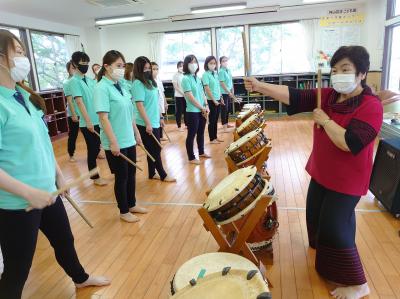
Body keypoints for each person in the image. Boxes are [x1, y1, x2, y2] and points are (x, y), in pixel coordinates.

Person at [244, 46, 383, 299]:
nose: (338, 74)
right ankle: (328, 257)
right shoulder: (329, 95)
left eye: (345, 69)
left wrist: (325, 121)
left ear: (362, 73)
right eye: (335, 70)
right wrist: (260, 85)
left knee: (333, 226)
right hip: (322, 172)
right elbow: (294, 95)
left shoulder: (370, 106)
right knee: (316, 219)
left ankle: (358, 284)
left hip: (348, 179)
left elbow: (350, 143)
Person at [0, 29, 110, 299]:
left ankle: (81, 278)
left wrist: (58, 176)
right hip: (18, 203)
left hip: (47, 190)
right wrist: (28, 193)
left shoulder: (24, 96)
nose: (25, 57)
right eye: (19, 52)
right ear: (1, 58)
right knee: (18, 268)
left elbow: (42, 143)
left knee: (64, 241)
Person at [94, 50, 148, 223]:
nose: (121, 69)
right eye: (118, 66)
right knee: (122, 177)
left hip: (129, 138)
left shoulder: (122, 86)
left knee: (131, 173)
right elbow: (103, 118)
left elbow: (130, 112)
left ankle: (132, 204)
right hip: (115, 141)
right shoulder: (101, 88)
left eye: (123, 66)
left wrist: (137, 133)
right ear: (106, 67)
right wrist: (113, 142)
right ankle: (124, 211)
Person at [131, 56, 176, 182]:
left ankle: (151, 173)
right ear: (139, 69)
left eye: (149, 68)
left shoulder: (152, 82)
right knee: (155, 149)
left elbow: (155, 102)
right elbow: (139, 106)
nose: (148, 70)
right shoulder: (137, 84)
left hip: (155, 120)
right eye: (145, 68)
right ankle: (163, 174)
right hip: (145, 123)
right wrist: (148, 124)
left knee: (153, 149)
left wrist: (160, 117)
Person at [69, 51, 108, 186]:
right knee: (93, 149)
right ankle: (95, 177)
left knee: (98, 148)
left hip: (97, 119)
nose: (85, 66)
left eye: (87, 63)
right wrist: (88, 121)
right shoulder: (73, 82)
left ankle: (102, 174)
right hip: (87, 123)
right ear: (74, 64)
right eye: (82, 63)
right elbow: (79, 102)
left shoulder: (90, 80)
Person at [181, 54, 210, 165]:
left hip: (202, 109)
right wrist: (202, 107)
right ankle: (191, 157)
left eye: (195, 62)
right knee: (191, 134)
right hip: (192, 111)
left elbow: (202, 93)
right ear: (186, 65)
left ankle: (201, 152)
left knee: (201, 133)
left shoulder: (198, 78)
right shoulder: (185, 79)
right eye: (191, 62)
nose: (194, 64)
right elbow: (190, 96)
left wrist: (206, 105)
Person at [202, 56, 223, 144]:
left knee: (216, 120)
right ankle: (211, 139)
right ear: (207, 64)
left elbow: (218, 87)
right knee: (212, 120)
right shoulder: (205, 74)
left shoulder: (215, 73)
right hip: (211, 100)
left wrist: (221, 97)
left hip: (218, 99)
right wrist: (214, 100)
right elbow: (207, 89)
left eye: (214, 63)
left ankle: (215, 137)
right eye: (211, 63)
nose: (213, 65)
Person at [63, 61, 80, 162]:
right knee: (73, 134)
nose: (75, 70)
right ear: (68, 70)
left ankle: (97, 151)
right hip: (73, 113)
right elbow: (69, 100)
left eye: (76, 68)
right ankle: (71, 154)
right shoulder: (67, 82)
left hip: (83, 112)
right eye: (72, 68)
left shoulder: (79, 81)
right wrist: (73, 114)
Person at [151, 62, 168, 141]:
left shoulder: (159, 79)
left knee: (161, 118)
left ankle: (161, 135)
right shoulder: (150, 81)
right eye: (153, 69)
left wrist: (165, 102)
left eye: (157, 69)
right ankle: (158, 136)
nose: (155, 71)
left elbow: (162, 92)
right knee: (158, 119)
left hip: (161, 102)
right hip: (155, 104)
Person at [219, 56, 234, 132]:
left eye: (226, 60)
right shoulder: (221, 71)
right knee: (224, 109)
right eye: (223, 61)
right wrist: (228, 92)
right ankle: (224, 126)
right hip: (224, 93)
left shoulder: (228, 70)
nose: (225, 62)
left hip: (229, 92)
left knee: (228, 109)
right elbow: (222, 83)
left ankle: (226, 123)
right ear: (220, 62)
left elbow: (230, 81)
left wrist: (231, 91)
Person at [172, 61, 186, 132]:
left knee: (186, 111)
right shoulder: (175, 75)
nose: (182, 67)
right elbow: (175, 86)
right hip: (178, 96)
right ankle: (179, 126)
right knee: (179, 111)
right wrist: (182, 93)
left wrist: (185, 94)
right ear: (177, 67)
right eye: (180, 66)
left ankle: (187, 125)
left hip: (186, 96)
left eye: (183, 66)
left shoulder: (185, 75)